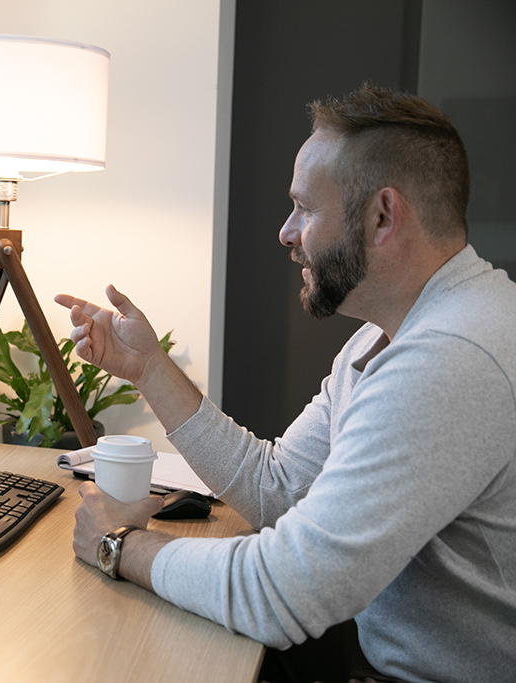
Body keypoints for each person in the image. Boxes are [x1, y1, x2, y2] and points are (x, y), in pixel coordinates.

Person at [55, 84, 516, 683]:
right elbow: (280, 488)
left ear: (382, 215)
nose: (286, 231)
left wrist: (118, 544)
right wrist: (148, 367)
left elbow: (281, 592)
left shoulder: (449, 358)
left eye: (305, 207)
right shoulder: (394, 334)